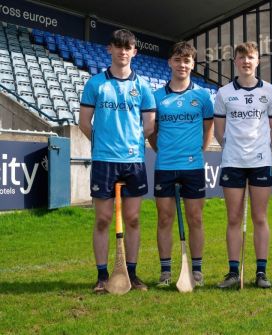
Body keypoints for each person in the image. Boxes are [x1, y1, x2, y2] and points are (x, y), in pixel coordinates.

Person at [79, 29, 156, 294]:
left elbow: (148, 126)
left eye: (128, 48)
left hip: (133, 160)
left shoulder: (143, 86)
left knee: (133, 219)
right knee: (102, 219)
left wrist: (130, 142)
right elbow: (84, 123)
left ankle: (130, 274)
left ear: (134, 52)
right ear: (109, 49)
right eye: (118, 47)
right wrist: (102, 144)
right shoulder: (95, 84)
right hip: (104, 161)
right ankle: (102, 276)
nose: (123, 52)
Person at [214, 42, 272, 289]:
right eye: (241, 58)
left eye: (250, 57)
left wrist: (264, 149)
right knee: (233, 218)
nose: (246, 62)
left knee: (259, 217)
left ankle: (261, 272)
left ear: (257, 61)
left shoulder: (270, 92)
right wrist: (230, 148)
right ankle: (233, 272)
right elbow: (219, 131)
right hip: (232, 161)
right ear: (235, 61)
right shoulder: (223, 93)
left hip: (260, 162)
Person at [148, 41, 213, 288]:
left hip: (193, 166)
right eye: (177, 60)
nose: (182, 65)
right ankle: (165, 272)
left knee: (195, 218)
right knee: (164, 218)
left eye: (186, 61)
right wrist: (161, 151)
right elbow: (152, 132)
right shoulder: (157, 97)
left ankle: (196, 270)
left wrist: (200, 152)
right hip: (165, 165)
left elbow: (208, 128)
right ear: (170, 63)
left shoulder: (202, 96)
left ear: (192, 64)